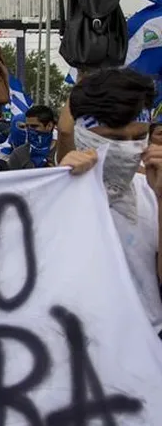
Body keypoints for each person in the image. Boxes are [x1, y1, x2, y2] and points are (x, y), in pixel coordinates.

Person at [58, 68, 162, 333]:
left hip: (146, 346)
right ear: (84, 134)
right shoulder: (49, 197)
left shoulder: (152, 193)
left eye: (139, 138)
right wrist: (59, 182)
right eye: (115, 140)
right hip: (74, 349)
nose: (129, 148)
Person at [7, 105, 56, 170]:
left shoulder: (63, 152)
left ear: (49, 126)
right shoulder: (18, 154)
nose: (29, 130)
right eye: (27, 126)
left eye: (34, 126)